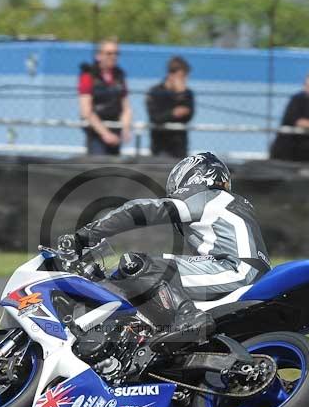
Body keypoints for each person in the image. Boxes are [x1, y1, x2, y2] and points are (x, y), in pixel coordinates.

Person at [58, 152, 270, 354]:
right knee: (154, 279)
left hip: (235, 270)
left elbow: (143, 210)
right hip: (246, 271)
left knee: (138, 264)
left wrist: (85, 236)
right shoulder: (228, 205)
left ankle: (189, 317)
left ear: (193, 176)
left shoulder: (208, 197)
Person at [78, 38, 133, 156]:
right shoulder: (88, 76)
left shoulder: (120, 76)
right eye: (109, 53)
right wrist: (105, 134)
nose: (113, 57)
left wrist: (125, 128)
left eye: (116, 53)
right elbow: (86, 111)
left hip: (115, 132)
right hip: (96, 134)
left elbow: (126, 108)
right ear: (98, 55)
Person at [146, 56, 195, 158]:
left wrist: (181, 95)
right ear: (171, 75)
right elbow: (155, 117)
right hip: (160, 146)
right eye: (182, 76)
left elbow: (188, 115)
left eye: (186, 76)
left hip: (180, 147)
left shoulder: (187, 93)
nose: (185, 80)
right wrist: (173, 113)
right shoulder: (155, 91)